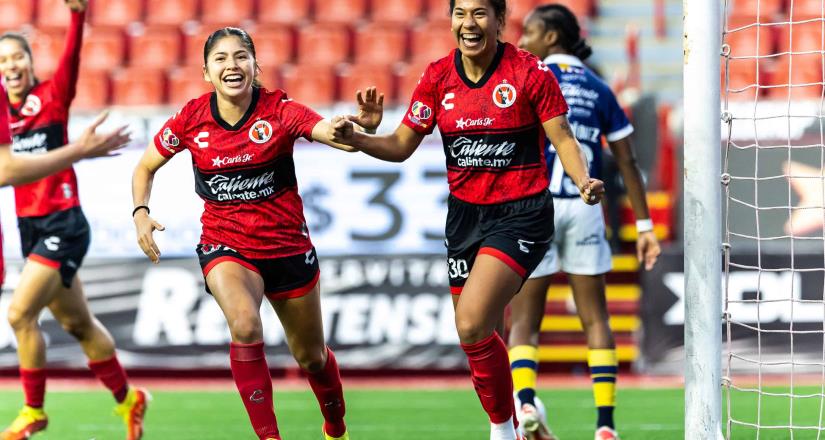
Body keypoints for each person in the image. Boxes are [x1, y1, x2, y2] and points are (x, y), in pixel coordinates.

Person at [328, 1, 604, 439]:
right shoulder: (437, 77)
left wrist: (583, 179)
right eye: (460, 13)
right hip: (464, 218)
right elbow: (401, 146)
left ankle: (502, 431)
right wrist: (360, 137)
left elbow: (563, 137)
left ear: (499, 20)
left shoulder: (530, 72)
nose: (468, 24)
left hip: (522, 213)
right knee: (480, 335)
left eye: (479, 13)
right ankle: (512, 420)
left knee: (472, 323)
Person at [131, 27, 376, 440]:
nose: (232, 65)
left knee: (311, 357)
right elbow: (145, 167)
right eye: (221, 58)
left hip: (287, 247)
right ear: (206, 72)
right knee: (245, 326)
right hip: (225, 244)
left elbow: (331, 135)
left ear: (255, 65)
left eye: (241, 56)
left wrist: (356, 130)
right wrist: (141, 211)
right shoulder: (191, 118)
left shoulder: (279, 109)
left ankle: (336, 428)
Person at [508, 4, 662, 440]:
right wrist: (645, 225)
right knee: (596, 318)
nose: (522, 41)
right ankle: (605, 425)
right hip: (585, 203)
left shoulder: (529, 79)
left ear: (552, 38)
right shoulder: (600, 89)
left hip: (536, 206)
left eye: (531, 32)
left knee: (523, 320)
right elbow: (628, 162)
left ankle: (524, 402)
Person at [0, 1, 149, 439]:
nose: (11, 65)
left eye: (17, 57)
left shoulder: (51, 95)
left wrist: (78, 15)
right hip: (32, 228)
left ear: (29, 63)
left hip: (63, 222)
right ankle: (129, 398)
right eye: (3, 60)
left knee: (20, 314)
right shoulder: (1, 115)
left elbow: (73, 57)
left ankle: (33, 411)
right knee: (78, 324)